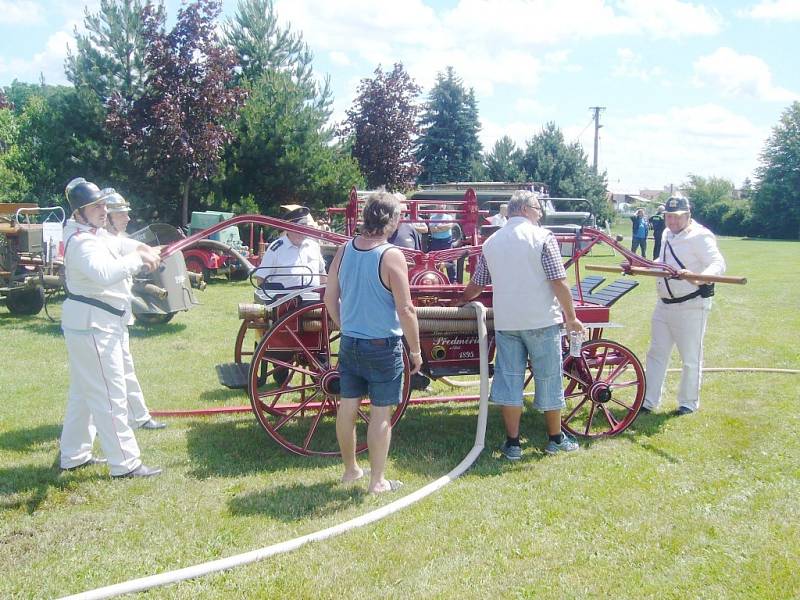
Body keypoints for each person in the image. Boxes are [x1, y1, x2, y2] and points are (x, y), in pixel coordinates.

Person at [455, 190, 583, 459]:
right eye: (537, 208)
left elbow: (477, 285)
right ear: (525, 209)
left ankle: (513, 443)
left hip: (507, 322)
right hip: (541, 320)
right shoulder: (542, 237)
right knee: (548, 378)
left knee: (510, 380)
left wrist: (460, 300)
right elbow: (558, 281)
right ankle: (555, 439)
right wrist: (571, 317)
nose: (540, 213)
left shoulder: (492, 242)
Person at [59, 178, 163, 478]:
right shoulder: (80, 241)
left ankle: (74, 454)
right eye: (96, 207)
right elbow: (104, 273)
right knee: (110, 396)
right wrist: (137, 258)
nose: (103, 211)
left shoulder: (93, 234)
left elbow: (118, 243)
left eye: (103, 205)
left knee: (83, 395)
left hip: (99, 324)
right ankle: (126, 464)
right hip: (94, 326)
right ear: (79, 212)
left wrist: (142, 246)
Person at [324, 191, 422, 493]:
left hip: (350, 343)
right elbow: (406, 309)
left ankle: (351, 470)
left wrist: (347, 326)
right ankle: (377, 481)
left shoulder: (344, 249)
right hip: (383, 347)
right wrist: (416, 349)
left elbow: (330, 298)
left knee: (347, 408)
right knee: (381, 414)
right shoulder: (391, 255)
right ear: (391, 221)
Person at [642, 196, 726, 416]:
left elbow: (718, 263)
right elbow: (661, 262)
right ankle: (648, 401)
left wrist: (697, 277)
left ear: (688, 215)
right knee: (656, 354)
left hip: (691, 305)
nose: (672, 222)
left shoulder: (701, 235)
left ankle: (688, 403)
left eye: (677, 217)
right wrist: (640, 267)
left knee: (690, 357)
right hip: (664, 304)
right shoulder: (666, 233)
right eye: (669, 217)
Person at [99, 187, 166, 431]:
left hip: (117, 315)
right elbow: (124, 253)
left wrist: (148, 250)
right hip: (103, 320)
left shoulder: (111, 239)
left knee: (126, 369)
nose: (127, 217)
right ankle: (124, 422)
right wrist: (143, 254)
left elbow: (129, 245)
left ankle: (139, 417)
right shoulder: (100, 241)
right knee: (111, 378)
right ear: (108, 217)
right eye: (121, 214)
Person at [255, 206, 326, 302]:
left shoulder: (314, 246)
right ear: (288, 228)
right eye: (299, 228)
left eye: (305, 227)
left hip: (315, 299)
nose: (302, 231)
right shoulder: (276, 249)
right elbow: (261, 278)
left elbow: (322, 273)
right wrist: (271, 302)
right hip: (287, 303)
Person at [428, 209, 457, 281]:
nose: (440, 207)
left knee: (449, 260)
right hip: (435, 241)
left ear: (444, 207)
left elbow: (449, 226)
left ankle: (453, 281)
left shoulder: (449, 217)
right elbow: (432, 229)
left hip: (447, 241)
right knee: (435, 260)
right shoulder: (432, 217)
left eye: (442, 205)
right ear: (436, 207)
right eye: (438, 205)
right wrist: (443, 227)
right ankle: (434, 279)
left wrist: (437, 227)